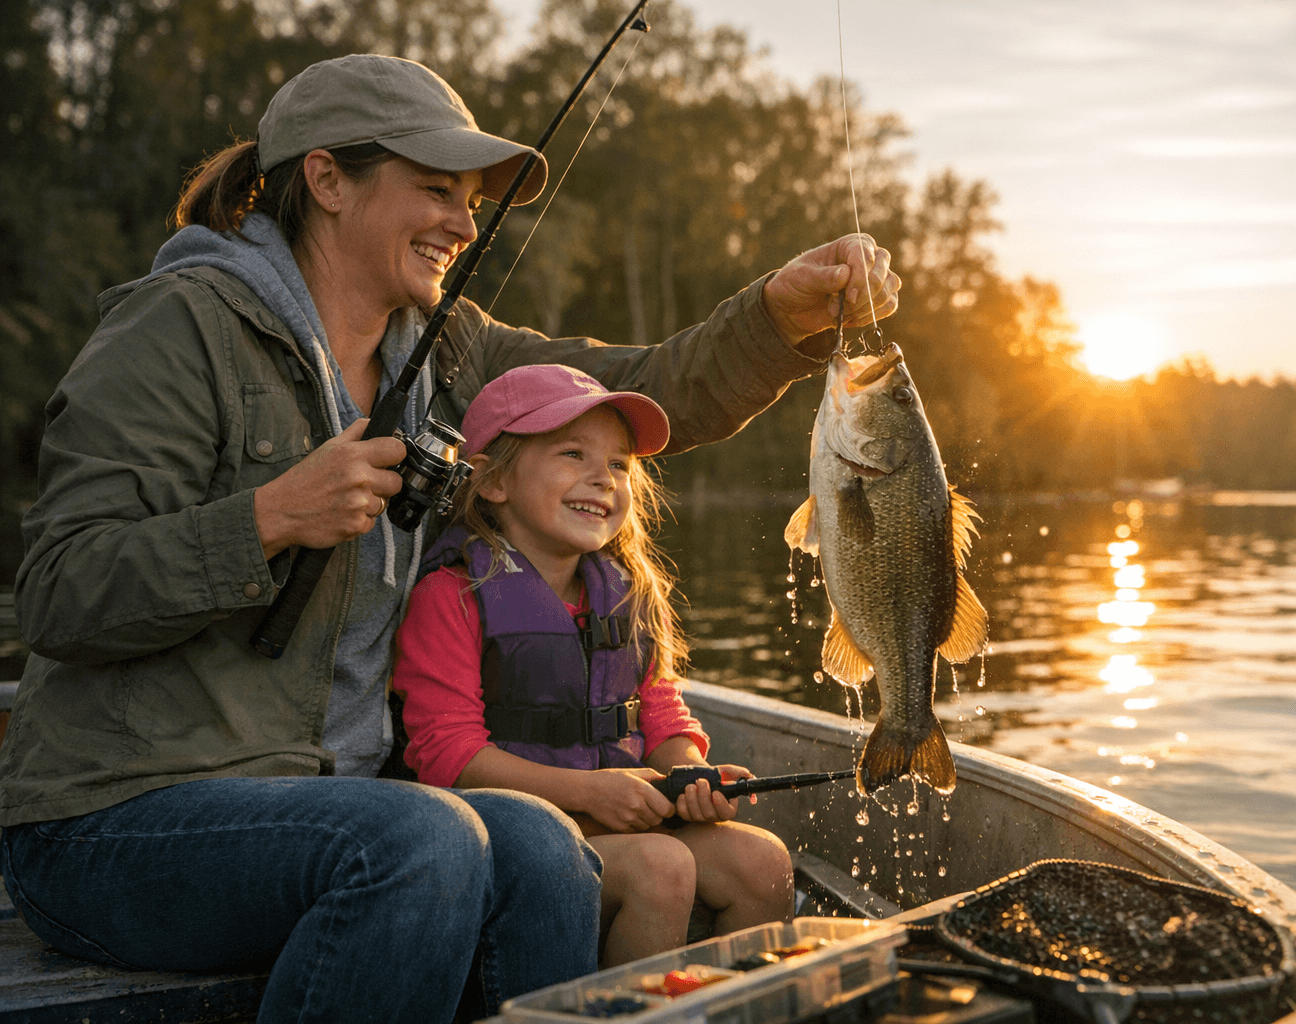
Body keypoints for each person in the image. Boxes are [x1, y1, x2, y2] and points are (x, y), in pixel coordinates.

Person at [0, 53, 899, 1024]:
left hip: (344, 801)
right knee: (425, 839)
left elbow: (643, 383)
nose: (465, 226)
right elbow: (56, 592)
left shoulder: (447, 345)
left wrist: (779, 314)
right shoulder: (177, 329)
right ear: (328, 179)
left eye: (472, 201)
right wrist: (267, 519)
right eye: (435, 189)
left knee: (544, 845)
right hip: (111, 822)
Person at [394, 364, 794, 967]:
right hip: (512, 836)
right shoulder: (451, 595)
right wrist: (585, 791)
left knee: (762, 862)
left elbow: (659, 711)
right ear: (494, 481)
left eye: (618, 465)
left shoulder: (627, 591)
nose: (601, 479)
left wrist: (691, 774)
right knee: (660, 867)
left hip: (613, 816)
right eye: (573, 453)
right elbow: (448, 755)